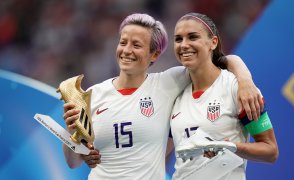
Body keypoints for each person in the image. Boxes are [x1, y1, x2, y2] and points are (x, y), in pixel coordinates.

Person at [62, 13, 263, 180]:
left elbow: (218, 61)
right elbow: (73, 162)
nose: (127, 50)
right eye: (123, 42)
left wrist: (245, 80)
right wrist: (72, 131)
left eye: (136, 45)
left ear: (154, 55)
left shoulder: (168, 83)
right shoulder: (92, 96)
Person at [169, 12, 279, 179]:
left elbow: (270, 150)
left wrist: (232, 147)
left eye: (192, 37)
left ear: (213, 42)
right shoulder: (174, 92)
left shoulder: (238, 88)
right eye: (178, 39)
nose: (184, 45)